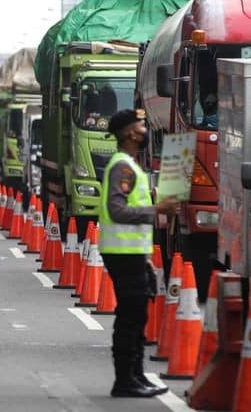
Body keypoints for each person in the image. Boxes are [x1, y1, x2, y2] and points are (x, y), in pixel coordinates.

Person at [100, 109, 179, 397]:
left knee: (138, 313)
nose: (146, 129)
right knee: (130, 315)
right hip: (122, 252)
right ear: (130, 133)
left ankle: (135, 375)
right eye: (142, 125)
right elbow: (116, 209)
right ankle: (125, 380)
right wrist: (157, 210)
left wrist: (156, 201)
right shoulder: (121, 167)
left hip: (132, 252)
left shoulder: (130, 166)